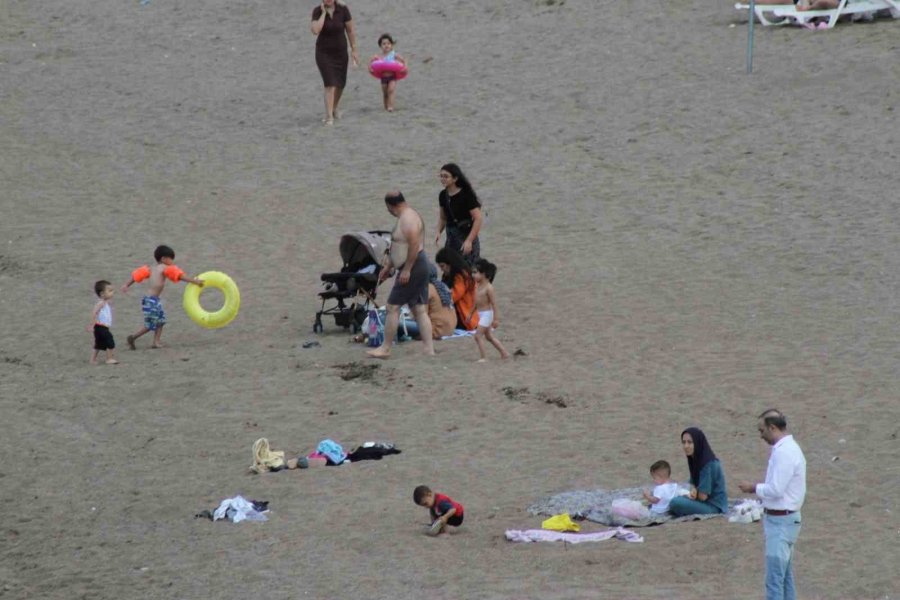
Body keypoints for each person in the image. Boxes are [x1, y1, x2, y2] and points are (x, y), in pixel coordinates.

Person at [738, 410, 807, 600]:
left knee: (775, 580)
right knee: (785, 578)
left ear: (772, 427)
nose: (761, 436)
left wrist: (753, 487)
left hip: (781, 522)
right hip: (786, 520)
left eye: (762, 431)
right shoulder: (789, 448)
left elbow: (776, 489)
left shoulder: (785, 452)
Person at [366, 192, 434, 358]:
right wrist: (389, 266)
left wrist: (407, 269)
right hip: (415, 266)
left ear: (391, 206)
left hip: (413, 267)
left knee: (392, 307)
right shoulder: (405, 216)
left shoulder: (408, 219)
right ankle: (429, 349)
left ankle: (385, 348)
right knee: (419, 309)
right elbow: (398, 246)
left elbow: (414, 245)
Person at [121, 245, 204, 350]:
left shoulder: (151, 268)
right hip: (151, 301)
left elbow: (136, 276)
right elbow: (180, 276)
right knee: (150, 324)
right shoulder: (164, 268)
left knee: (160, 321)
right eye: (170, 259)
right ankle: (133, 337)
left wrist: (127, 285)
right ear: (163, 258)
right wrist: (194, 281)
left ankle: (156, 342)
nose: (172, 261)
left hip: (151, 300)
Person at [310, 0, 359, 125]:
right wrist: (323, 13)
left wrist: (354, 49)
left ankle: (334, 107)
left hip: (340, 53)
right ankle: (329, 116)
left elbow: (350, 30)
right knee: (330, 84)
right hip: (324, 53)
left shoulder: (343, 9)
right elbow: (315, 30)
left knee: (341, 84)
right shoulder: (317, 11)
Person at [668, 427, 728, 516]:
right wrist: (691, 490)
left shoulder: (706, 464)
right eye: (684, 442)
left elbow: (702, 496)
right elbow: (692, 484)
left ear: (697, 443)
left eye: (690, 442)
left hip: (713, 506)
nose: (686, 446)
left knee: (675, 502)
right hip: (703, 501)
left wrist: (693, 492)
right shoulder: (696, 459)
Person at [434, 163, 483, 263]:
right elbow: (443, 218)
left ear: (455, 179)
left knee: (469, 268)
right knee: (450, 267)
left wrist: (469, 241)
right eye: (441, 176)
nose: (442, 179)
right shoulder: (443, 195)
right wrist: (438, 231)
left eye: (446, 176)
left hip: (466, 236)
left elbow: (478, 219)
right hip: (451, 239)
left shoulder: (466, 195)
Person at [468, 258, 510, 362]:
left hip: (487, 314)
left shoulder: (489, 288)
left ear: (483, 274)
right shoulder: (477, 286)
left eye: (475, 272)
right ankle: (504, 353)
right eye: (472, 273)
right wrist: (470, 314)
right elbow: (476, 302)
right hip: (481, 314)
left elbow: (494, 304)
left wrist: (496, 319)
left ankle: (484, 357)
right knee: (489, 337)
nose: (473, 275)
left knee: (478, 336)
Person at [435, 247, 477, 331]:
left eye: (442, 266)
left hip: (463, 315)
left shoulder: (461, 276)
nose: (442, 269)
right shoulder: (449, 275)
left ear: (450, 264)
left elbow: (454, 296)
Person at [368, 33, 405, 112]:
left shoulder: (394, 55)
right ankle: (386, 107)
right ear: (380, 46)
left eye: (388, 43)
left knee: (391, 91)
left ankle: (391, 106)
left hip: (392, 76)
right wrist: (370, 69)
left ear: (391, 45)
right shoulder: (379, 56)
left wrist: (405, 68)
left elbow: (403, 60)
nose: (386, 45)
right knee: (385, 93)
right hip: (383, 77)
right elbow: (370, 62)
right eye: (384, 44)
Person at [88, 280, 118, 365]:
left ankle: (92, 359)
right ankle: (109, 358)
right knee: (110, 341)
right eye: (110, 291)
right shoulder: (101, 303)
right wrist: (92, 324)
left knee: (99, 344)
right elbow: (94, 312)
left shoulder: (105, 303)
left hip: (101, 327)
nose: (112, 293)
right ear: (102, 294)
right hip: (101, 327)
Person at [426, 263, 457, 338]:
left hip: (436, 329)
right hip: (450, 329)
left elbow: (421, 315)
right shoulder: (443, 286)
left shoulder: (427, 288)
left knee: (400, 324)